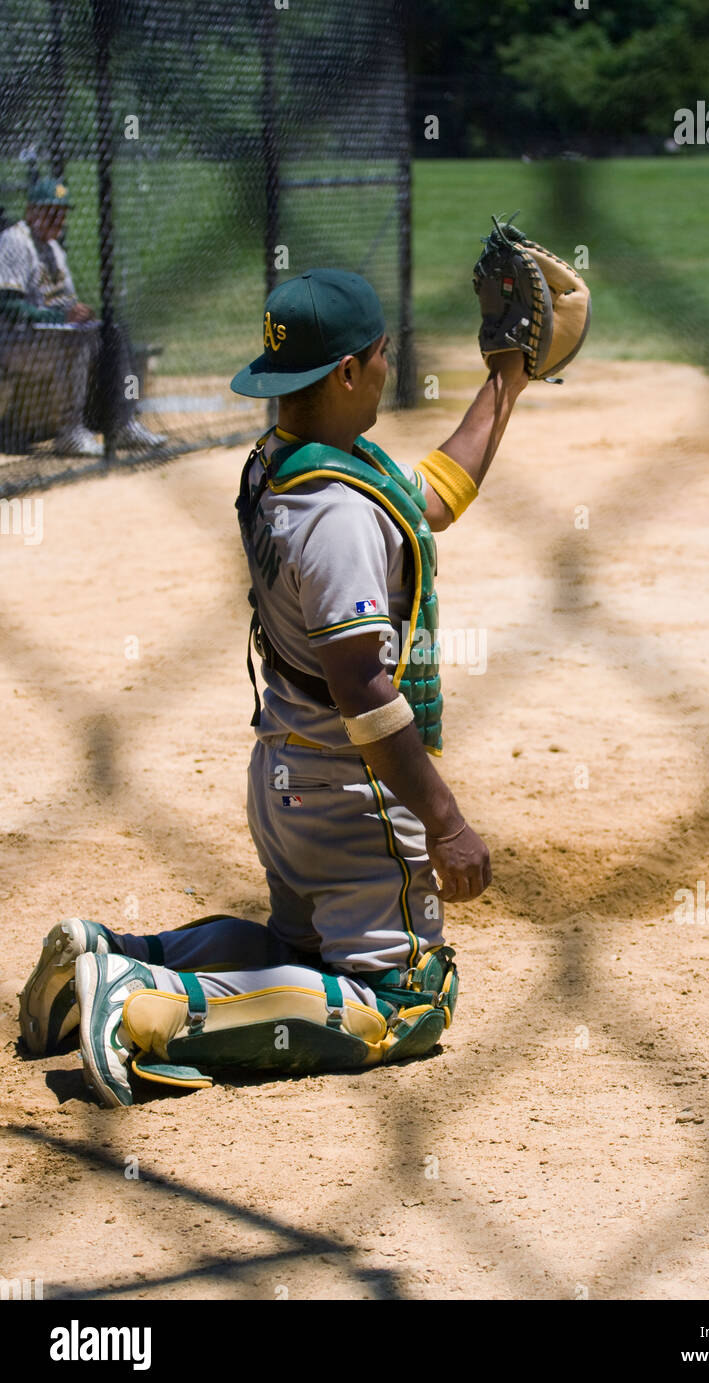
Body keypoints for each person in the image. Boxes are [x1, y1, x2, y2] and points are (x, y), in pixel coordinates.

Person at [18, 268, 529, 1106]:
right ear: (346, 373)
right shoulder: (334, 514)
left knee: (299, 965)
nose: (389, 365)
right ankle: (147, 1009)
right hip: (351, 794)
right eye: (380, 355)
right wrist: (448, 822)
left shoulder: (287, 457)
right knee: (405, 1005)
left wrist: (504, 383)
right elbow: (365, 690)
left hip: (290, 777)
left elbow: (423, 499)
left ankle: (102, 954)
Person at [0, 177, 164, 457]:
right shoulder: (15, 241)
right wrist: (61, 316)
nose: (58, 219)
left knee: (114, 330)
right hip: (14, 341)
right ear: (31, 211)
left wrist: (82, 313)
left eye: (61, 213)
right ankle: (70, 432)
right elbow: (7, 305)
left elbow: (67, 302)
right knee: (73, 339)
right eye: (50, 211)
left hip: (47, 337)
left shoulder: (53, 249)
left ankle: (124, 423)